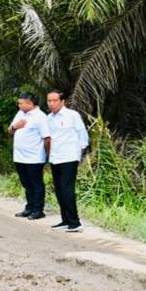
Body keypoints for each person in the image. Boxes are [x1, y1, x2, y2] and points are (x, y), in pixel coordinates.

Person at [46, 90, 88, 232]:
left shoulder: (72, 115)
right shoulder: (49, 118)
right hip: (55, 157)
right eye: (49, 101)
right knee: (58, 190)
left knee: (67, 189)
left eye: (54, 100)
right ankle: (65, 220)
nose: (51, 103)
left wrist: (79, 154)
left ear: (62, 101)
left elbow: (83, 135)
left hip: (69, 157)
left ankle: (75, 222)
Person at [9, 92, 50, 219]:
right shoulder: (20, 113)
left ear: (30, 103)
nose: (19, 105)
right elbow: (9, 131)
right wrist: (14, 126)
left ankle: (38, 210)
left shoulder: (40, 116)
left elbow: (47, 138)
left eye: (21, 103)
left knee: (36, 184)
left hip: (34, 157)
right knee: (26, 183)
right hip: (19, 156)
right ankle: (29, 207)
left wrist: (46, 155)